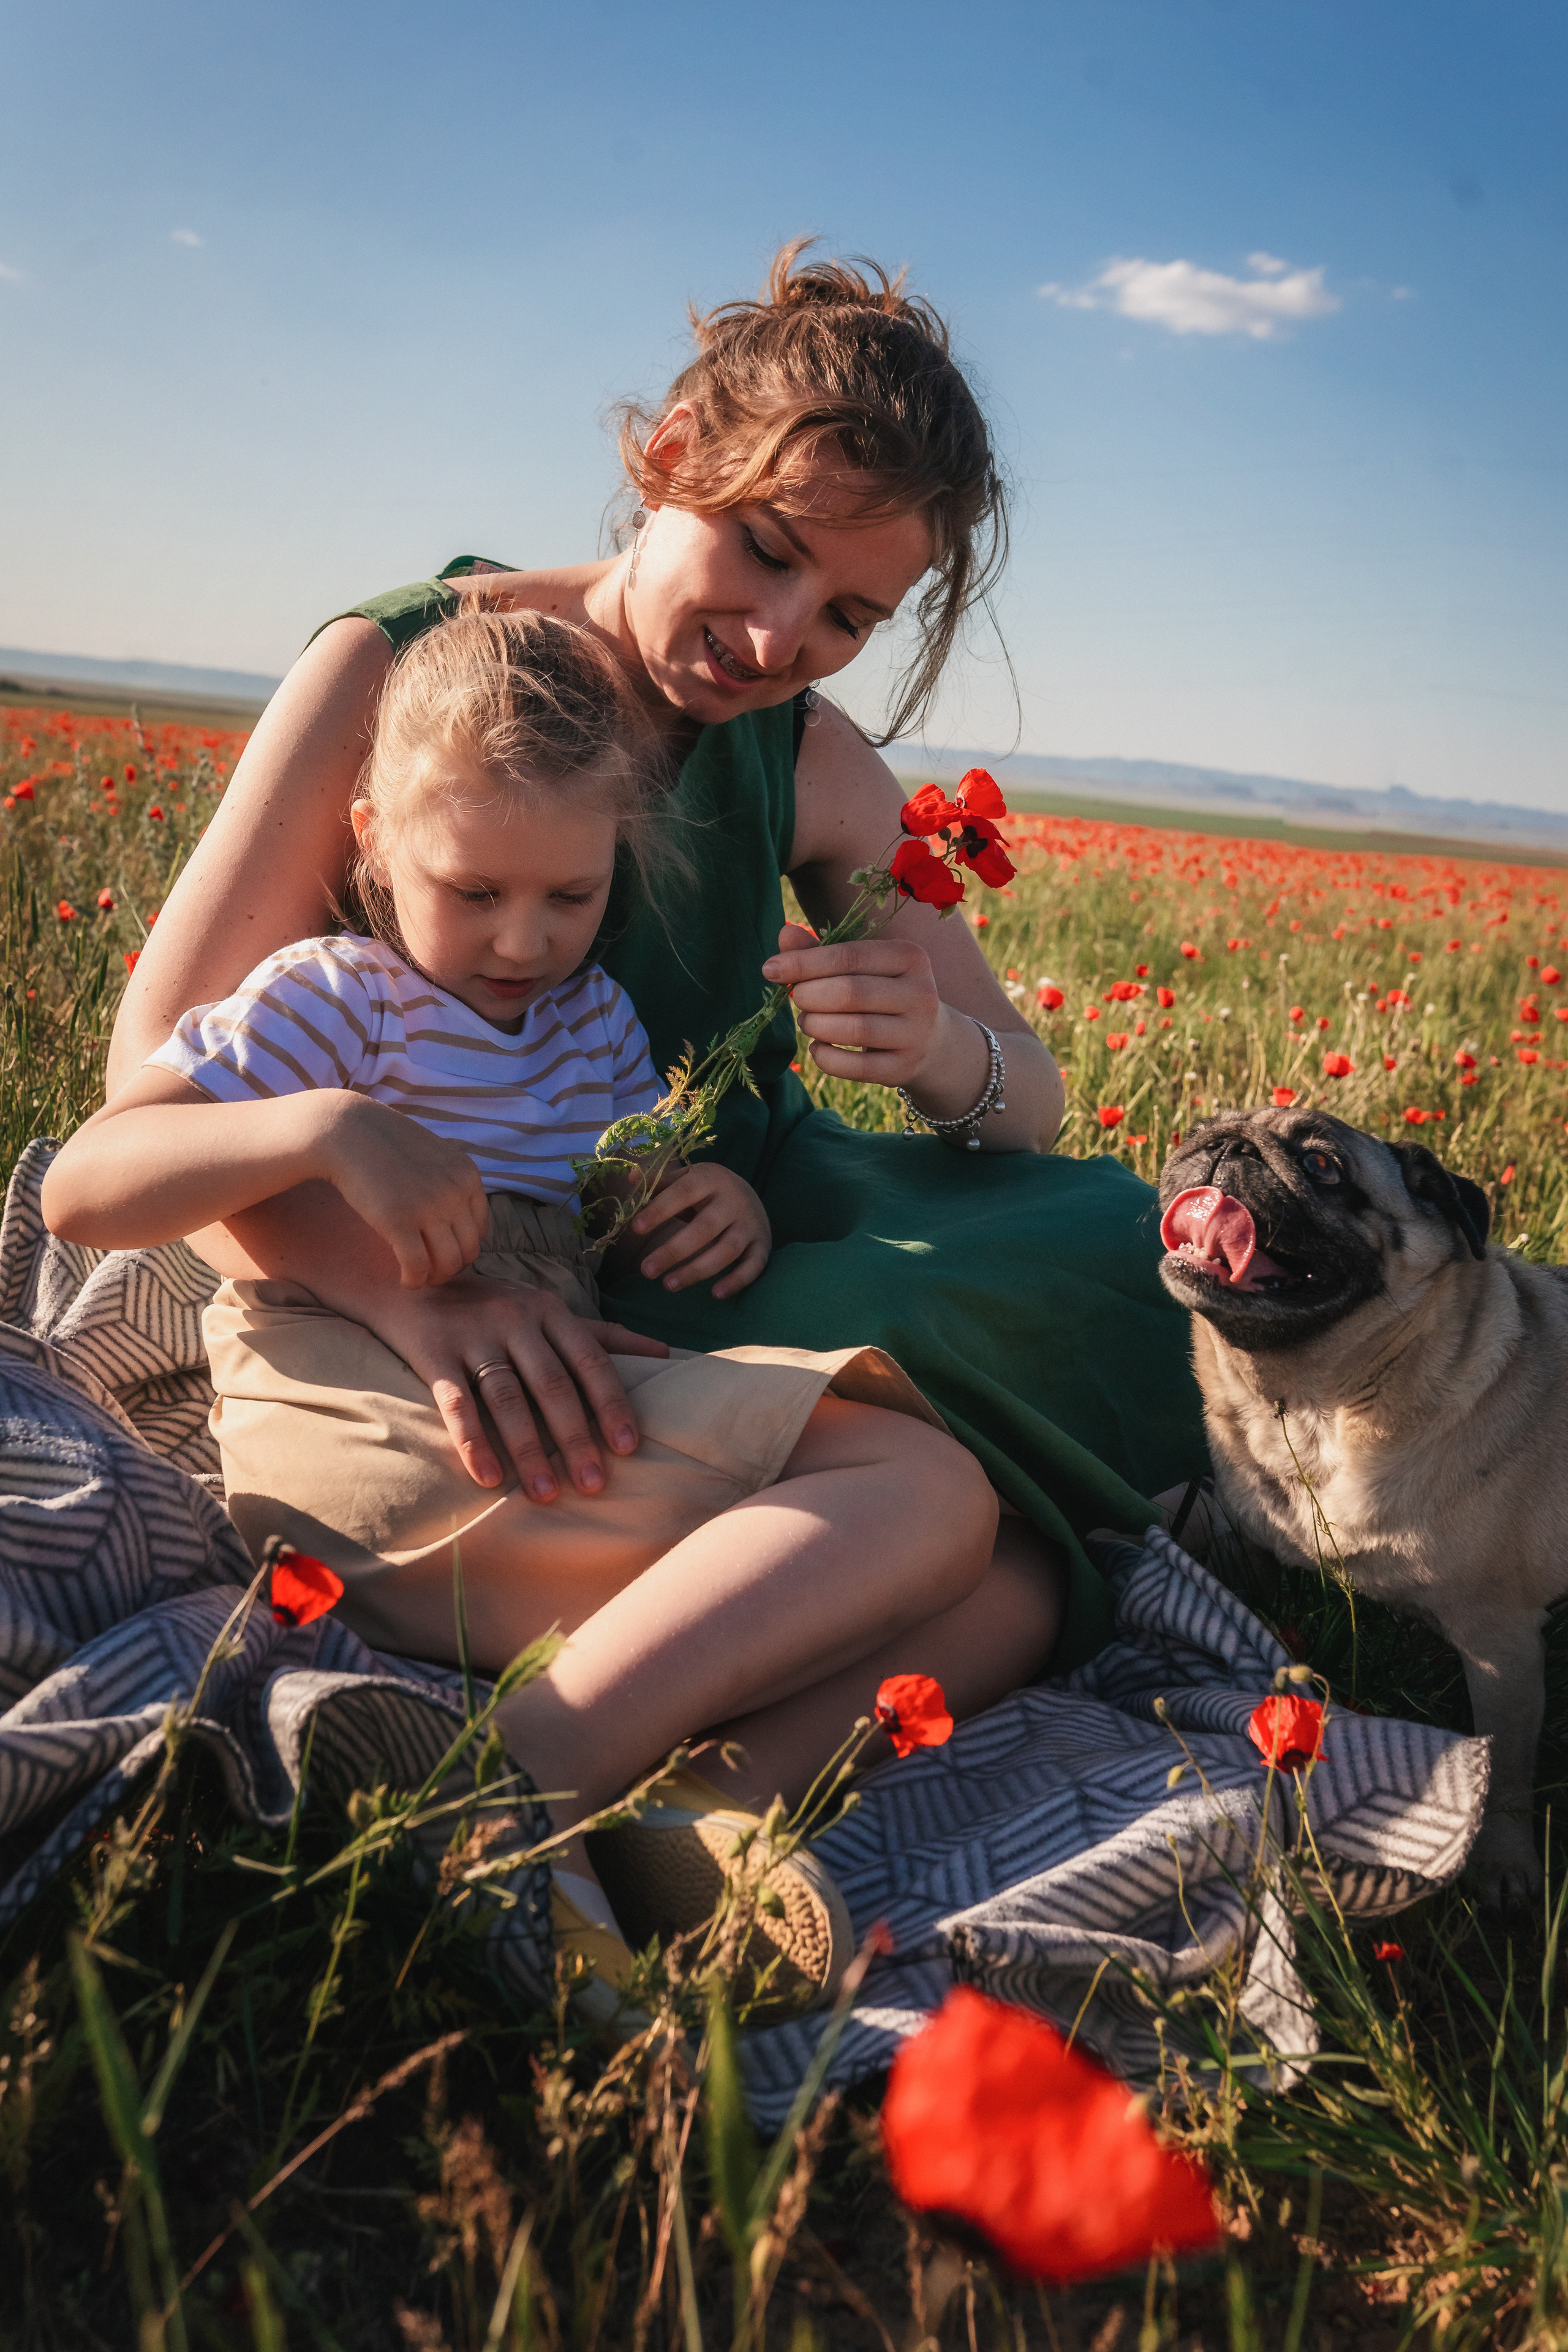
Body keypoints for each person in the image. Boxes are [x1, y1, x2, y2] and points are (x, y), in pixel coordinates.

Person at [105, 239, 1204, 1703]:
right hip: (484, 1244)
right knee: (955, 1390)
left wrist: (943, 1049)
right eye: (765, 548)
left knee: (1121, 1236)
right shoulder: (411, 672)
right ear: (672, 458)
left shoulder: (808, 754)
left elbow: (1026, 1104)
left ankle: (892, 1539)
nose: (776, 638)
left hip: (735, 1210)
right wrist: (410, 1299)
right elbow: (152, 1083)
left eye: (845, 619)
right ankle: (904, 1545)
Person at [45, 605, 1005, 2017]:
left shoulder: (593, 1031)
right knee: (927, 1499)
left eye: (568, 897)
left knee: (976, 1577)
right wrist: (321, 1133)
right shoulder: (333, 1007)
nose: (522, 939)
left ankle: (670, 1826)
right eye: (474, 889)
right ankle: (511, 1793)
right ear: (369, 840)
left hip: (534, 1430)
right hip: (370, 1437)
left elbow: (619, 1219)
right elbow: (87, 1182)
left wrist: (712, 1210)